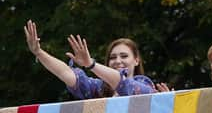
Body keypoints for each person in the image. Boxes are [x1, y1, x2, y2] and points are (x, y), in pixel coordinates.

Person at [24, 19, 168, 99]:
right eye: (112, 57)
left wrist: (90, 64)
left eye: (124, 56)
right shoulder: (98, 89)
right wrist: (39, 52)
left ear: (136, 60)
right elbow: (67, 74)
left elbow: (123, 83)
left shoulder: (145, 86)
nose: (118, 61)